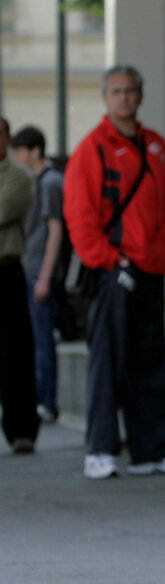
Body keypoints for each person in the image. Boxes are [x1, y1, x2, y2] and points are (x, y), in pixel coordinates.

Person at [63, 66, 165, 480]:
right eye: (116, 91)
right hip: (115, 272)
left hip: (153, 271)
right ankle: (99, 451)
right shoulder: (93, 148)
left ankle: (151, 451)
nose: (124, 97)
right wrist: (108, 259)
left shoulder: (156, 145)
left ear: (141, 95)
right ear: (105, 97)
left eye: (130, 90)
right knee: (108, 362)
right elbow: (79, 216)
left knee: (150, 362)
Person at [10, 125, 64, 424]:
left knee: (42, 338)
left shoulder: (50, 182)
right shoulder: (33, 180)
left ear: (36, 151)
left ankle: (47, 401)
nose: (16, 157)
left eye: (20, 151)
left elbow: (55, 231)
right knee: (31, 338)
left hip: (40, 270)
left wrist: (45, 276)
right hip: (28, 267)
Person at [0, 116, 40, 455]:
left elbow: (3, 210)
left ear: (8, 139)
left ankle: (21, 430)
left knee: (15, 352)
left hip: (6, 271)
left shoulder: (18, 177)